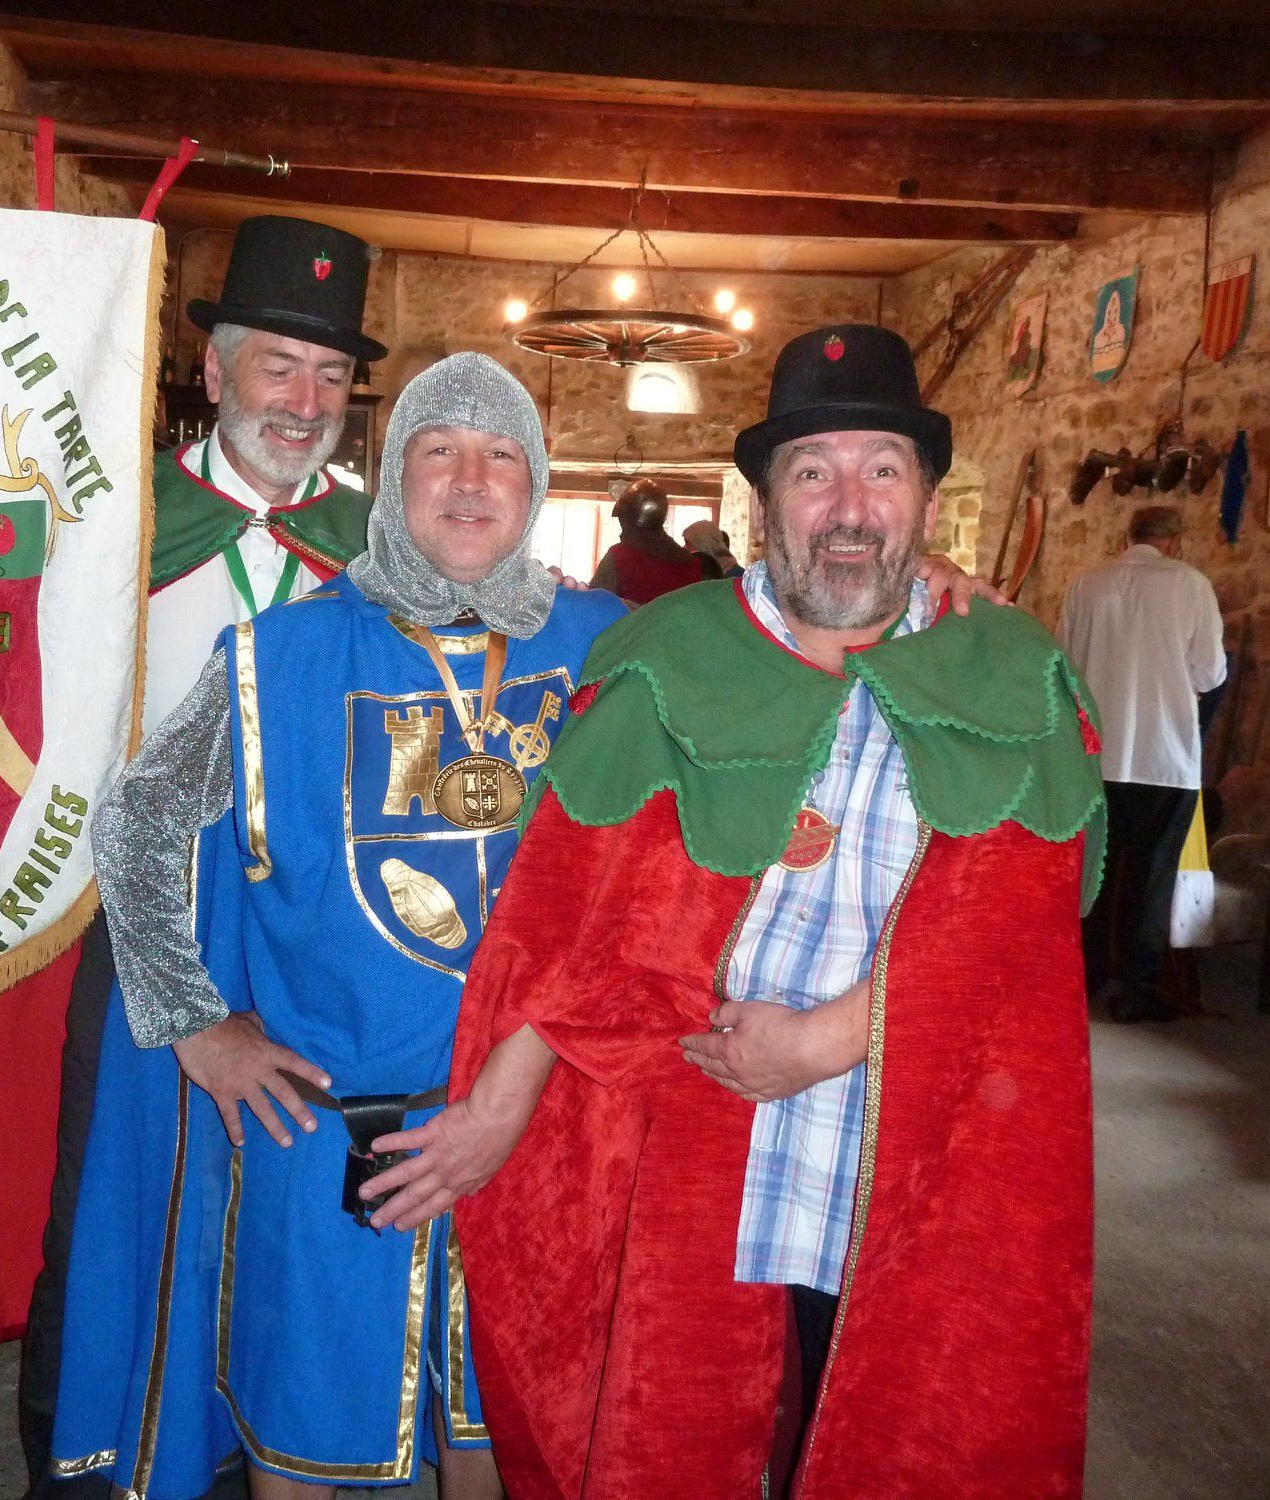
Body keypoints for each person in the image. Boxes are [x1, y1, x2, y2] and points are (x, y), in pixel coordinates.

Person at [364, 325, 1104, 1499]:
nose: (848, 507)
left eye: (881, 470)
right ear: (763, 504)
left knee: (905, 1429)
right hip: (697, 1146)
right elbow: (572, 928)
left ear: (922, 497)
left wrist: (822, 1039)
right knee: (682, 1429)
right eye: (812, 473)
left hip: (918, 1150)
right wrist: (496, 1111)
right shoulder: (667, 654)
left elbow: (1015, 945)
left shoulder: (1010, 669)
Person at [49, 354, 627, 1498]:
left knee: (501, 1439)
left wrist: (929, 593)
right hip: (324, 1135)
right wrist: (197, 1025)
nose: (471, 480)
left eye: (500, 453)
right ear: (393, 478)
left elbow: (786, 644)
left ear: (536, 480)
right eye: (438, 450)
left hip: (538, 1121)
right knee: (303, 1445)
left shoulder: (609, 650)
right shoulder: (284, 653)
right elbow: (135, 826)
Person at [18, 214, 384, 1497]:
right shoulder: (114, 525)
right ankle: (95, 1463)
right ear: (214, 369)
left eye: (331, 376)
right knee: (123, 1224)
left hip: (323, 948)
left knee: (288, 1220)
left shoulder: (378, 542)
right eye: (278, 365)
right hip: (147, 933)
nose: (304, 400)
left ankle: (258, 1454)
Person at [1057, 504, 1225, 1023]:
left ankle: (1082, 976)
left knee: (1095, 874)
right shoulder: (1191, 585)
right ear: (1173, 540)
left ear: (1129, 536)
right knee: (1153, 876)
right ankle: (1138, 988)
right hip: (1164, 756)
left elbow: (1064, 663)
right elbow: (1210, 671)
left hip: (1097, 757)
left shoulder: (1087, 584)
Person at [587, 476, 704, 603]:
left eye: (623, 520)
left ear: (630, 519)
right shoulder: (692, 563)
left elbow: (594, 607)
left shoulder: (619, 556)